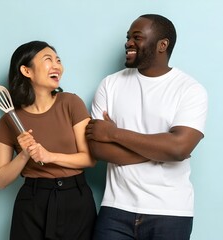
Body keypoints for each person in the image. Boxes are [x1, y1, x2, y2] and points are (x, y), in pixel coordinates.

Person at [85, 14, 208, 240]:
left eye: (137, 37)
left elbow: (178, 148)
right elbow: (98, 149)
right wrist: (163, 149)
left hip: (170, 212)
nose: (128, 42)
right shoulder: (110, 84)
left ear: (163, 45)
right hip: (116, 208)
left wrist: (113, 133)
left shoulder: (190, 90)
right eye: (128, 37)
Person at [0, 41, 97, 240]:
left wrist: (49, 156)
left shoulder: (71, 103)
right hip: (32, 202)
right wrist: (23, 155)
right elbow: (0, 180)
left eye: (58, 60)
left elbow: (89, 159)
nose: (57, 65)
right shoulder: (9, 121)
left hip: (75, 199)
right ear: (26, 70)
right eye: (48, 60)